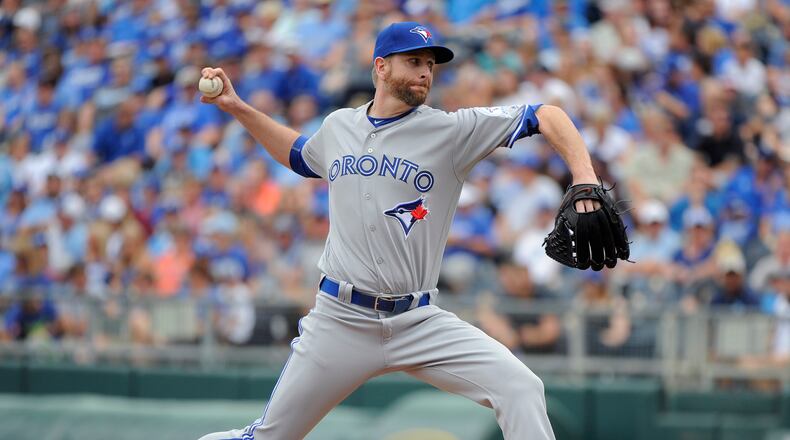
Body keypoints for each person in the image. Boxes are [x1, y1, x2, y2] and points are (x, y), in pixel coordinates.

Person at [197, 22, 605, 440]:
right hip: (341, 320)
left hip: (419, 321)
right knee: (268, 437)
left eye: (430, 64)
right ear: (381, 67)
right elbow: (301, 155)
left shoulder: (452, 131)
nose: (425, 71)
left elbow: (546, 114)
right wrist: (237, 107)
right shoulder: (339, 126)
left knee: (521, 388)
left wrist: (584, 175)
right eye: (413, 61)